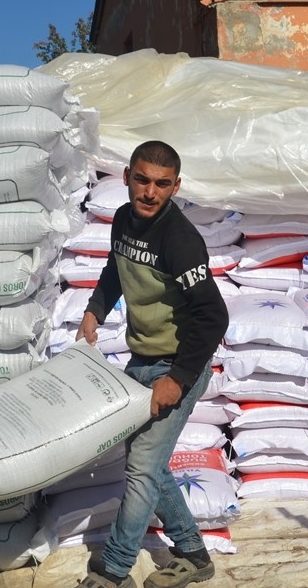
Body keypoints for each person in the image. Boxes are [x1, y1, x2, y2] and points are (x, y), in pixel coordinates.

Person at [77, 141, 229, 588]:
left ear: (175, 187)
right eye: (142, 179)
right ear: (126, 177)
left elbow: (213, 316)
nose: (150, 192)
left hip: (178, 365)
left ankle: (114, 570)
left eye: (162, 184)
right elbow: (114, 269)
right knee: (151, 465)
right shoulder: (124, 221)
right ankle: (195, 556)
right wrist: (95, 310)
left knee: (142, 466)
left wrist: (178, 381)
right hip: (141, 358)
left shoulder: (179, 240)